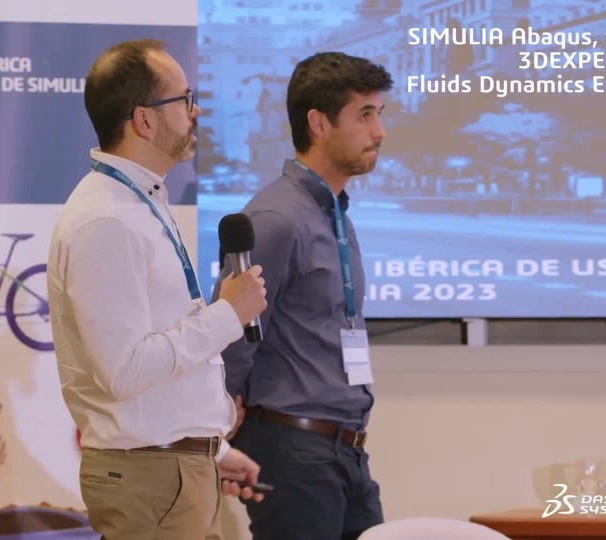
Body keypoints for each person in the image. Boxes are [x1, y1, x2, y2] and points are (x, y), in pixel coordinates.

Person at [47, 39, 269, 539]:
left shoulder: (137, 201)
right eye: (185, 99)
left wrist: (214, 450)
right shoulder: (107, 219)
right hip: (151, 477)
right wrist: (227, 315)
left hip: (173, 470)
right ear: (144, 120)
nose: (196, 111)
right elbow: (124, 370)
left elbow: (157, 364)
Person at [212, 51, 393, 540]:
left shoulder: (333, 214)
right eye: (364, 115)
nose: (379, 132)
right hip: (293, 450)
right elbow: (230, 332)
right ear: (319, 123)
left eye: (379, 114)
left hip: (345, 448)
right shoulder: (276, 219)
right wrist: (222, 423)